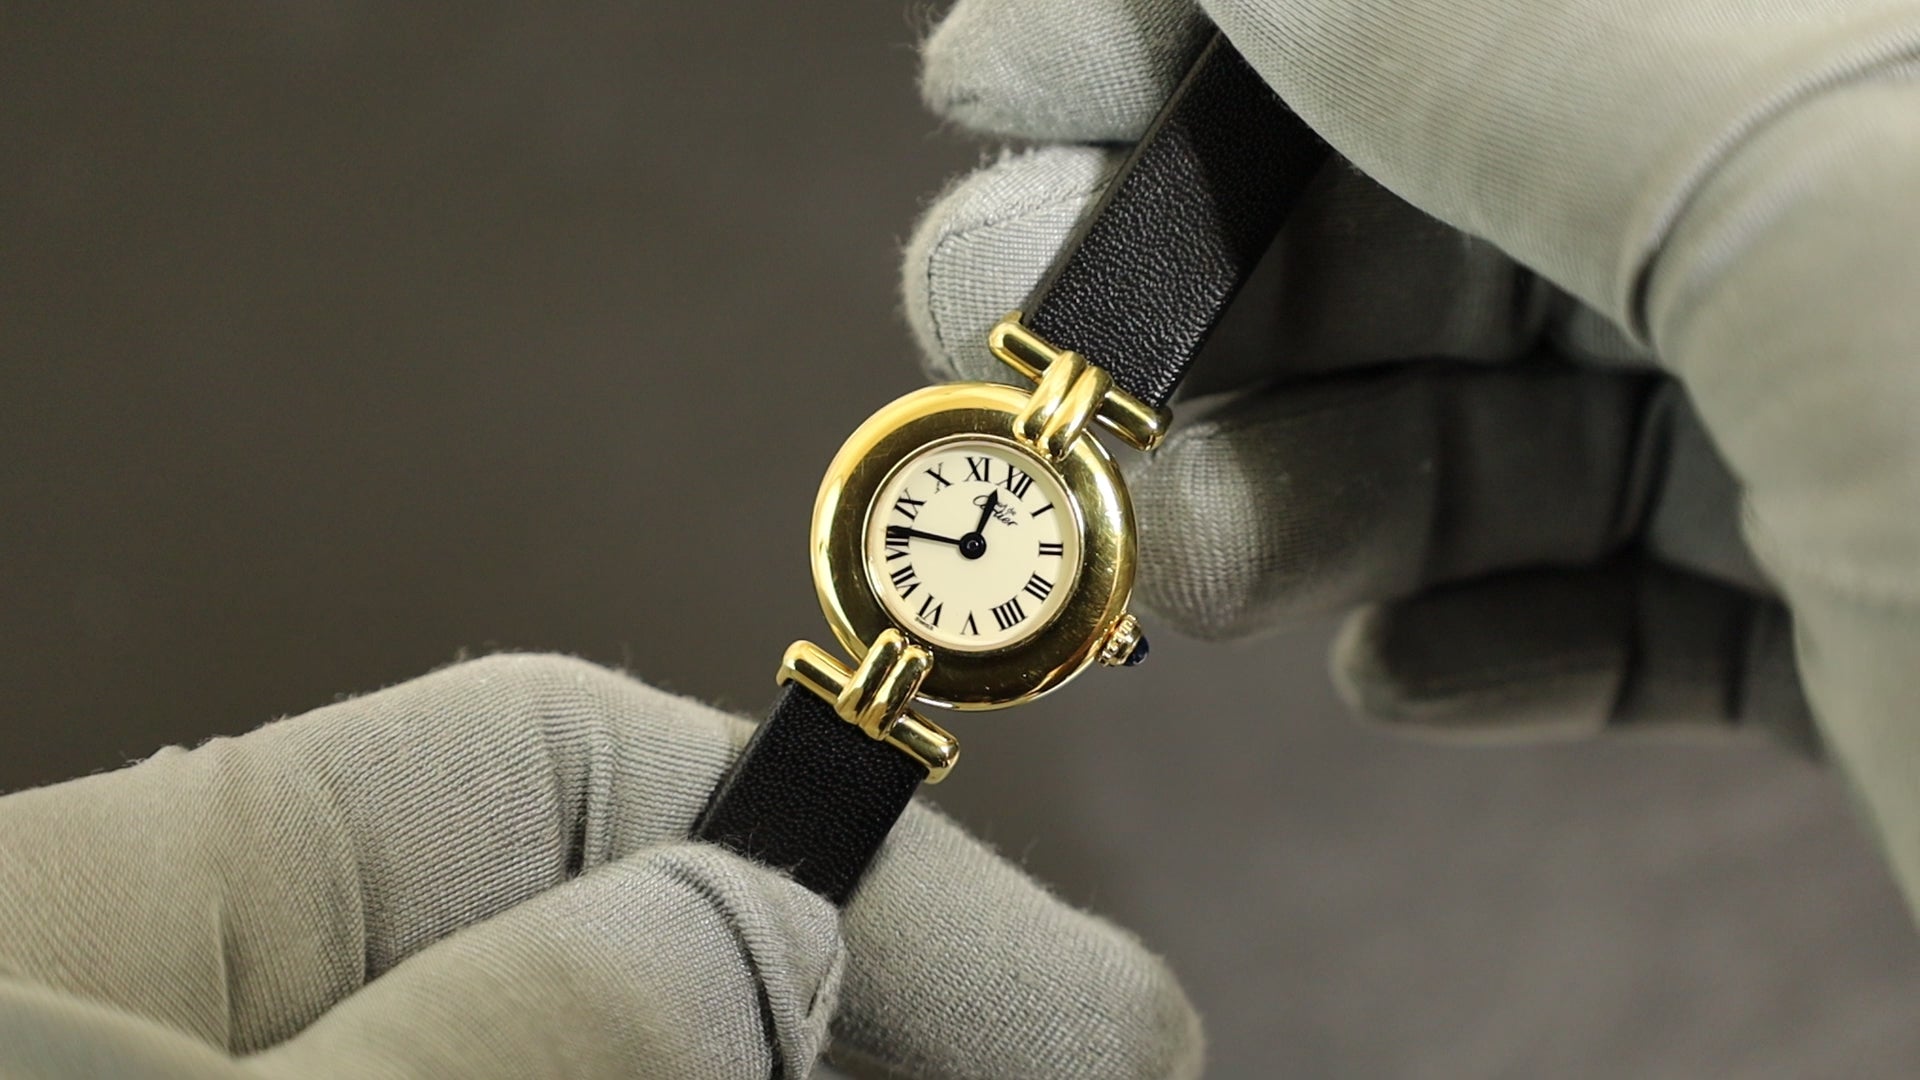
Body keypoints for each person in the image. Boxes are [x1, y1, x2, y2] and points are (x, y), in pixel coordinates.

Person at [2, 0, 1915, 1075]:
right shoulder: (983, 517)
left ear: (1071, 613)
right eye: (970, 530)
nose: (983, 541)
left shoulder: (1003, 509)